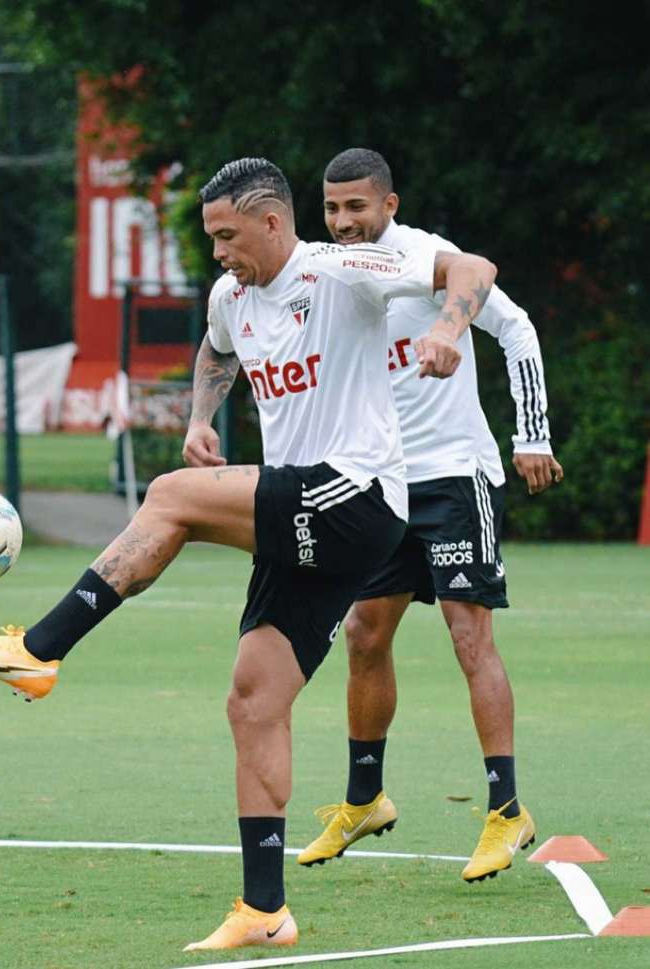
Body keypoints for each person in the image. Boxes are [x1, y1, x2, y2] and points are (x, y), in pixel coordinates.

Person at [0, 157, 496, 950]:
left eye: (229, 235)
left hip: (357, 495)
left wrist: (445, 324)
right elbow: (217, 348)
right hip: (303, 510)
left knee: (170, 498)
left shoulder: (343, 269)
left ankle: (38, 650)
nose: (219, 251)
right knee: (253, 700)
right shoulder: (232, 295)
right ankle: (265, 910)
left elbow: (470, 267)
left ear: (273, 222)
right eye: (211, 238)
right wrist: (203, 413)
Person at [297, 148, 563, 883]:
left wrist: (531, 434)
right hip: (384, 482)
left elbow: (517, 328)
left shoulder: (427, 258)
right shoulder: (331, 269)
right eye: (332, 208)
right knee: (363, 631)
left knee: (467, 633)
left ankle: (508, 810)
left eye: (358, 207)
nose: (344, 221)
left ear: (389, 204)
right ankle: (364, 797)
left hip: (454, 474)